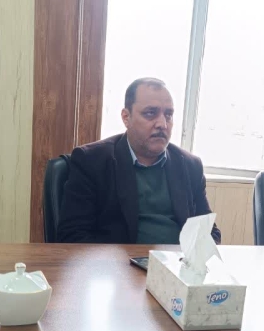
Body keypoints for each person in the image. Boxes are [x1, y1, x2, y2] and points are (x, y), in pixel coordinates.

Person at [57, 78, 220, 244]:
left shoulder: (190, 165)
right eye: (150, 113)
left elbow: (210, 233)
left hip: (179, 259)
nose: (162, 124)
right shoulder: (92, 161)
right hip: (119, 260)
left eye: (168, 115)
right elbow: (72, 235)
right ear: (126, 117)